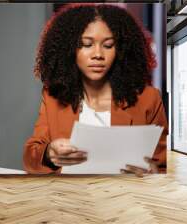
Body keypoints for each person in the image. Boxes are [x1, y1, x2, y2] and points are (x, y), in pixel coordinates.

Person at [23, 4, 168, 175]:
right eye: (86, 44)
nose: (97, 54)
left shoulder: (149, 99)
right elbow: (30, 157)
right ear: (69, 49)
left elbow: (164, 164)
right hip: (71, 198)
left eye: (108, 45)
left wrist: (153, 172)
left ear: (121, 50)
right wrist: (48, 154)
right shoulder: (52, 97)